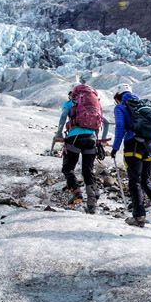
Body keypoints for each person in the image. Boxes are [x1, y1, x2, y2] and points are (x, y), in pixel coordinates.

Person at [110, 86, 151, 227]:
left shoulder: (121, 107)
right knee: (145, 180)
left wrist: (115, 148)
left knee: (134, 181)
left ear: (119, 96)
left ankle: (139, 216)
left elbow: (119, 127)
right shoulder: (144, 106)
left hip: (134, 147)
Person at [56, 82, 109, 213]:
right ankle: (91, 202)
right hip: (91, 139)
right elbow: (106, 123)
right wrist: (101, 139)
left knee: (68, 168)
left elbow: (63, 117)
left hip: (74, 139)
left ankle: (76, 192)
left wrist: (58, 133)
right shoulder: (94, 106)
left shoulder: (70, 103)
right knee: (87, 171)